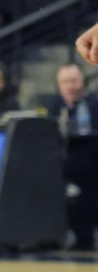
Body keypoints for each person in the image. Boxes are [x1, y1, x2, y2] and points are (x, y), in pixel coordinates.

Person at [43, 63, 98, 249]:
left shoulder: (94, 103)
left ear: (83, 82)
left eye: (74, 80)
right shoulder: (53, 107)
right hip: (60, 167)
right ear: (59, 86)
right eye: (65, 82)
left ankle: (85, 243)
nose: (70, 86)